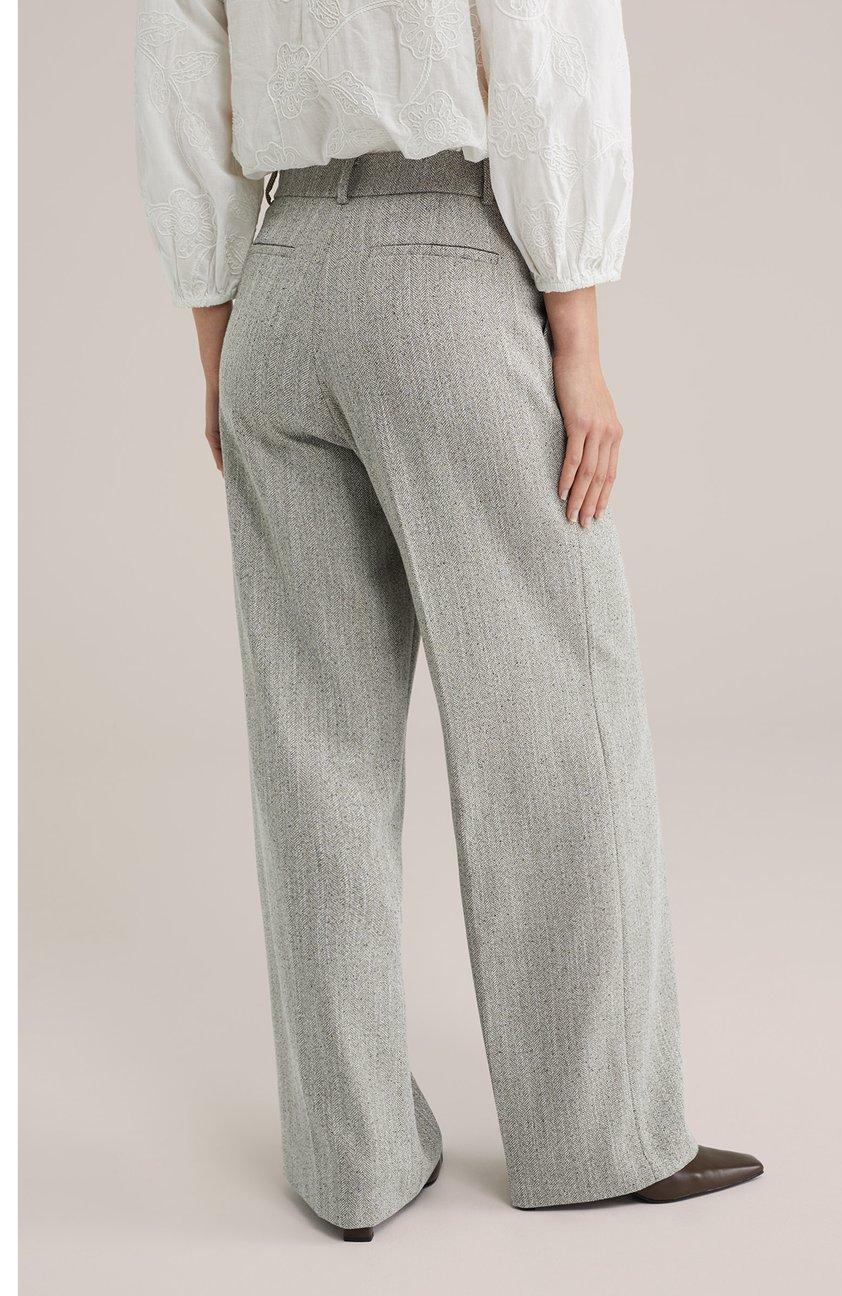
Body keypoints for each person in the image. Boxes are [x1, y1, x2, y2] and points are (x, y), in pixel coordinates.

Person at [135, 0, 762, 1241]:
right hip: (444, 265)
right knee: (555, 719)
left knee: (314, 748)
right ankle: (598, 1136)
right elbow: (549, 54)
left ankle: (350, 1162)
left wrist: (218, 348)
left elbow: (178, 86)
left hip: (275, 287)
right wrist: (577, 343)